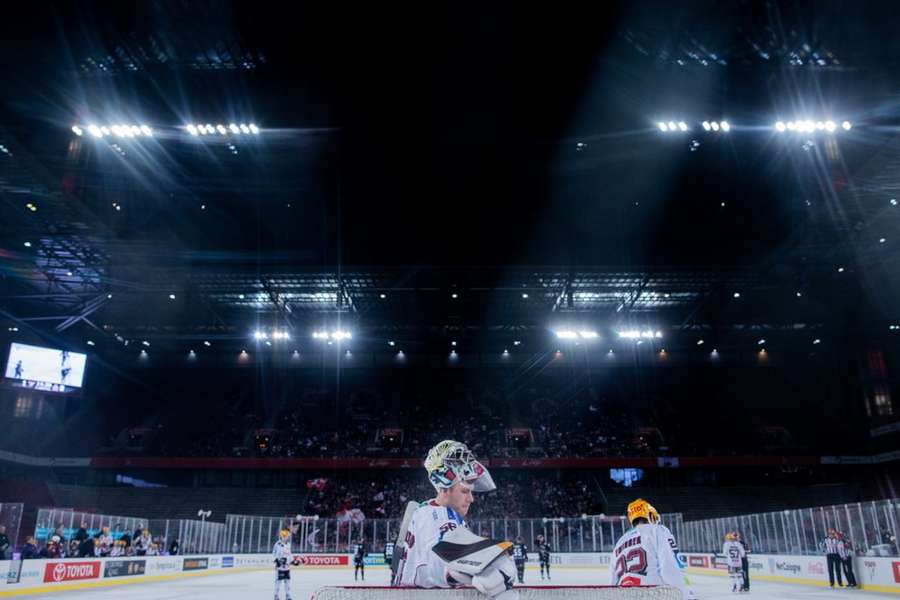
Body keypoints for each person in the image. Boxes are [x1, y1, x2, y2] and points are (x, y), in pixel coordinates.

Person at [396, 440, 517, 600]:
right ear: (444, 487)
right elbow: (436, 559)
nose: (471, 499)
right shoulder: (436, 516)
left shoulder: (427, 509)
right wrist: (456, 570)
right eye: (465, 491)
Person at [610, 498, 694, 600]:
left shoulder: (620, 542)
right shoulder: (658, 530)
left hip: (625, 595)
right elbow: (670, 568)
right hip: (653, 594)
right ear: (650, 515)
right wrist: (685, 595)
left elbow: (612, 582)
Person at [273, 528, 299, 600]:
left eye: (288, 537)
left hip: (287, 567)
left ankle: (288, 595)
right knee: (278, 582)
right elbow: (274, 554)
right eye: (286, 536)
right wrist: (277, 561)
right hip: (280, 567)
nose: (288, 538)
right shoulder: (278, 544)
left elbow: (289, 554)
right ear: (282, 536)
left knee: (287, 582)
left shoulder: (288, 544)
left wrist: (293, 561)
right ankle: (276, 595)